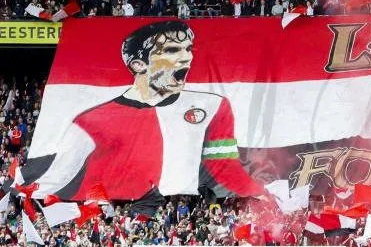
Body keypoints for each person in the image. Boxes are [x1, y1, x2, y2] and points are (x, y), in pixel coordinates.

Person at [23, 20, 265, 200]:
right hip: (115, 213)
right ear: (139, 64)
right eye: (171, 50)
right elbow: (54, 181)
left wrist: (261, 193)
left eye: (188, 49)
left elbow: (223, 167)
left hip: (176, 210)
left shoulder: (212, 106)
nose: (186, 58)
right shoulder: (89, 121)